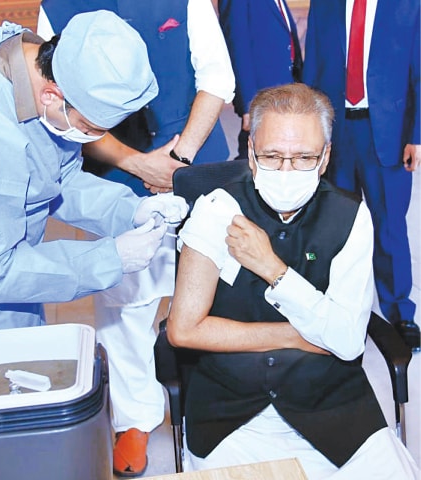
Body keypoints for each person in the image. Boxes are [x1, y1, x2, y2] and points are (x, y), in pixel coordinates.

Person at [0, 11, 190, 446]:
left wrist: (130, 210)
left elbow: (54, 177)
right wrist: (110, 258)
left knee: (19, 394)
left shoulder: (24, 63)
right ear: (53, 94)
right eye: (89, 127)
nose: (90, 139)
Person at [167, 84, 419, 479]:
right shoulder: (216, 210)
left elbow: (349, 343)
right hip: (230, 409)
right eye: (272, 156)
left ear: (325, 158)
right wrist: (295, 334)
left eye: (303, 158)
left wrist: (273, 269)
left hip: (332, 404)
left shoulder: (351, 217)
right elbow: (183, 330)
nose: (287, 171)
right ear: (251, 154)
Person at [38, 1, 235, 476]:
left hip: (195, 162)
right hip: (113, 174)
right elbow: (56, 99)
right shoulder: (56, 9)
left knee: (219, 291)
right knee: (123, 305)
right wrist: (135, 162)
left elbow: (217, 79)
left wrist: (179, 159)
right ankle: (135, 420)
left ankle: (223, 405)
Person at [303, 0, 420, 351]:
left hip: (387, 134)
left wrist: (417, 135)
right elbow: (313, 69)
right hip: (336, 133)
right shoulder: (324, 5)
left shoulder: (408, 6)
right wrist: (311, 134)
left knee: (390, 227)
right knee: (334, 225)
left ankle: (400, 313)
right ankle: (337, 306)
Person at [218, 0, 302, 159]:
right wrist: (248, 105)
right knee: (255, 156)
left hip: (288, 91)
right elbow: (238, 46)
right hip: (262, 97)